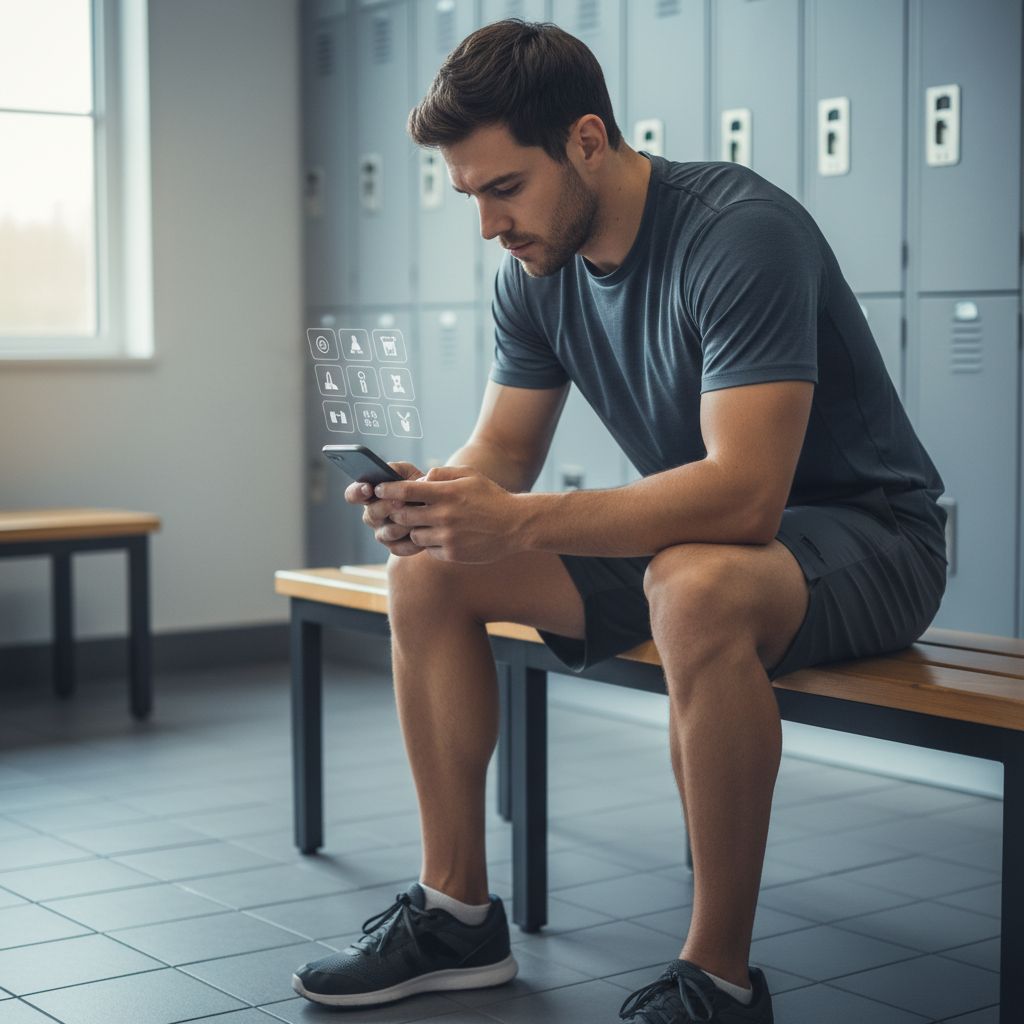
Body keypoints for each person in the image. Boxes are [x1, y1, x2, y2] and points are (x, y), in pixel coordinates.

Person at [291, 18, 948, 1024]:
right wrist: (437, 505)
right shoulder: (535, 273)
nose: (489, 228)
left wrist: (513, 521)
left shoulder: (739, 234)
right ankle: (457, 914)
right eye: (470, 197)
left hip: (871, 535)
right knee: (428, 572)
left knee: (692, 581)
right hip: (693, 544)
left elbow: (745, 495)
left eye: (504, 188)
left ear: (587, 141)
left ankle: (718, 980)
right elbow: (502, 455)